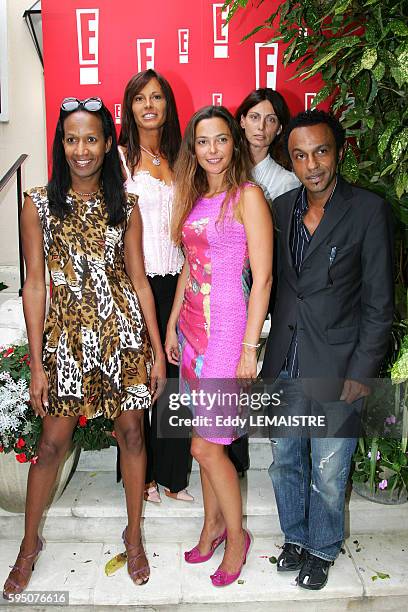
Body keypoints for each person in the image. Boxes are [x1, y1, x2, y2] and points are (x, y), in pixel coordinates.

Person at [3, 97, 166, 599]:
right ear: (60, 144)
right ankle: (29, 545)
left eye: (91, 138)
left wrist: (156, 350)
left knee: (133, 436)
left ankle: (133, 535)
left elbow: (139, 280)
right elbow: (34, 285)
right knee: (51, 445)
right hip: (67, 344)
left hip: (123, 340)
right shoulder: (37, 203)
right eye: (71, 139)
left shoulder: (128, 206)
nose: (81, 149)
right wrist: (36, 363)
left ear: (107, 143)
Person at [262, 109, 394, 590]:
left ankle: (321, 546)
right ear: (290, 160)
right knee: (285, 463)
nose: (311, 164)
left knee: (329, 468)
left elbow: (379, 304)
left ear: (339, 152)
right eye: (299, 155)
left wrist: (362, 372)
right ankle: (295, 538)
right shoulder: (280, 211)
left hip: (339, 364)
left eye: (320, 151)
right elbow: (272, 283)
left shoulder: (367, 210)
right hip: (285, 359)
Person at [165, 106, 273, 586]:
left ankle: (236, 536)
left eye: (221, 139)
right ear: (194, 148)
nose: (212, 149)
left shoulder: (248, 196)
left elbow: (264, 277)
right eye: (203, 141)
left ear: (234, 143)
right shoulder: (194, 198)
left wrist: (250, 346)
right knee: (208, 442)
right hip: (192, 332)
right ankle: (210, 526)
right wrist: (171, 327)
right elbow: (189, 265)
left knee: (206, 448)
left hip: (229, 333)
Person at [117, 69, 193, 503]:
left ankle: (173, 476)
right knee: (139, 380)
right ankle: (139, 476)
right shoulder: (120, 159)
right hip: (133, 284)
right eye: (141, 98)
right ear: (129, 107)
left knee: (176, 378)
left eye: (157, 97)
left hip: (177, 283)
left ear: (167, 106)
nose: (149, 105)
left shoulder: (181, 158)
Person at [236, 88, 300, 204]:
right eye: (254, 117)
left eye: (271, 120)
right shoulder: (225, 168)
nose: (261, 126)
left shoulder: (286, 182)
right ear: (242, 121)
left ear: (279, 128)